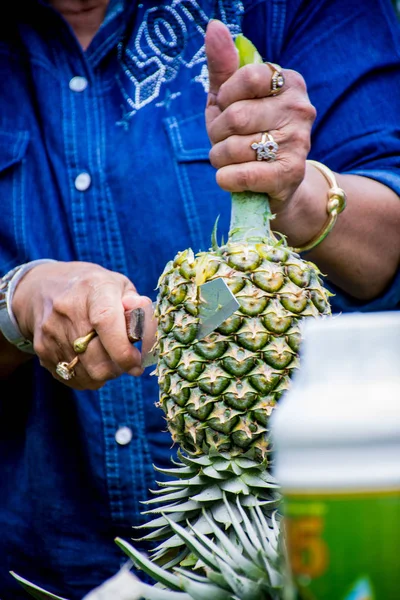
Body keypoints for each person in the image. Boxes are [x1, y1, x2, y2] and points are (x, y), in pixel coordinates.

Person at [1, 1, 399, 598]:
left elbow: (389, 233)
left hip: (307, 555)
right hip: (35, 568)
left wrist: (298, 193)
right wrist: (17, 301)